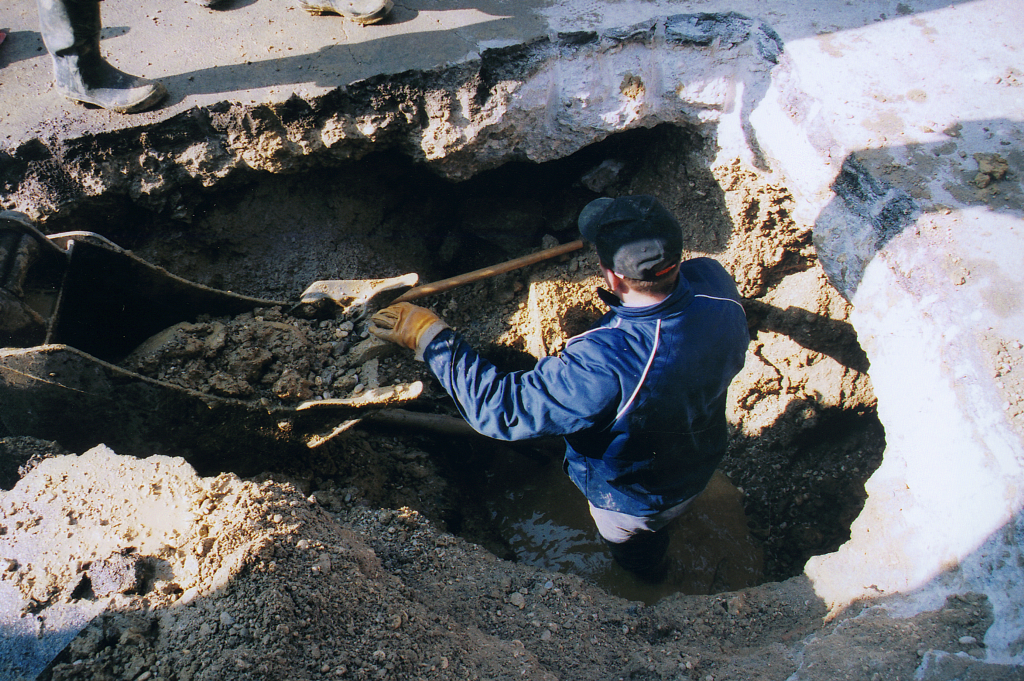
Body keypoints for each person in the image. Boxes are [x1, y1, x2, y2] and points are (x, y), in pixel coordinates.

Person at [369, 195, 749, 581]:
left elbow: (498, 409)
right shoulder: (715, 282)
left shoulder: (606, 361)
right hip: (701, 455)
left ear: (613, 277)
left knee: (637, 550)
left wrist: (430, 336)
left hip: (632, 500)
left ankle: (649, 577)